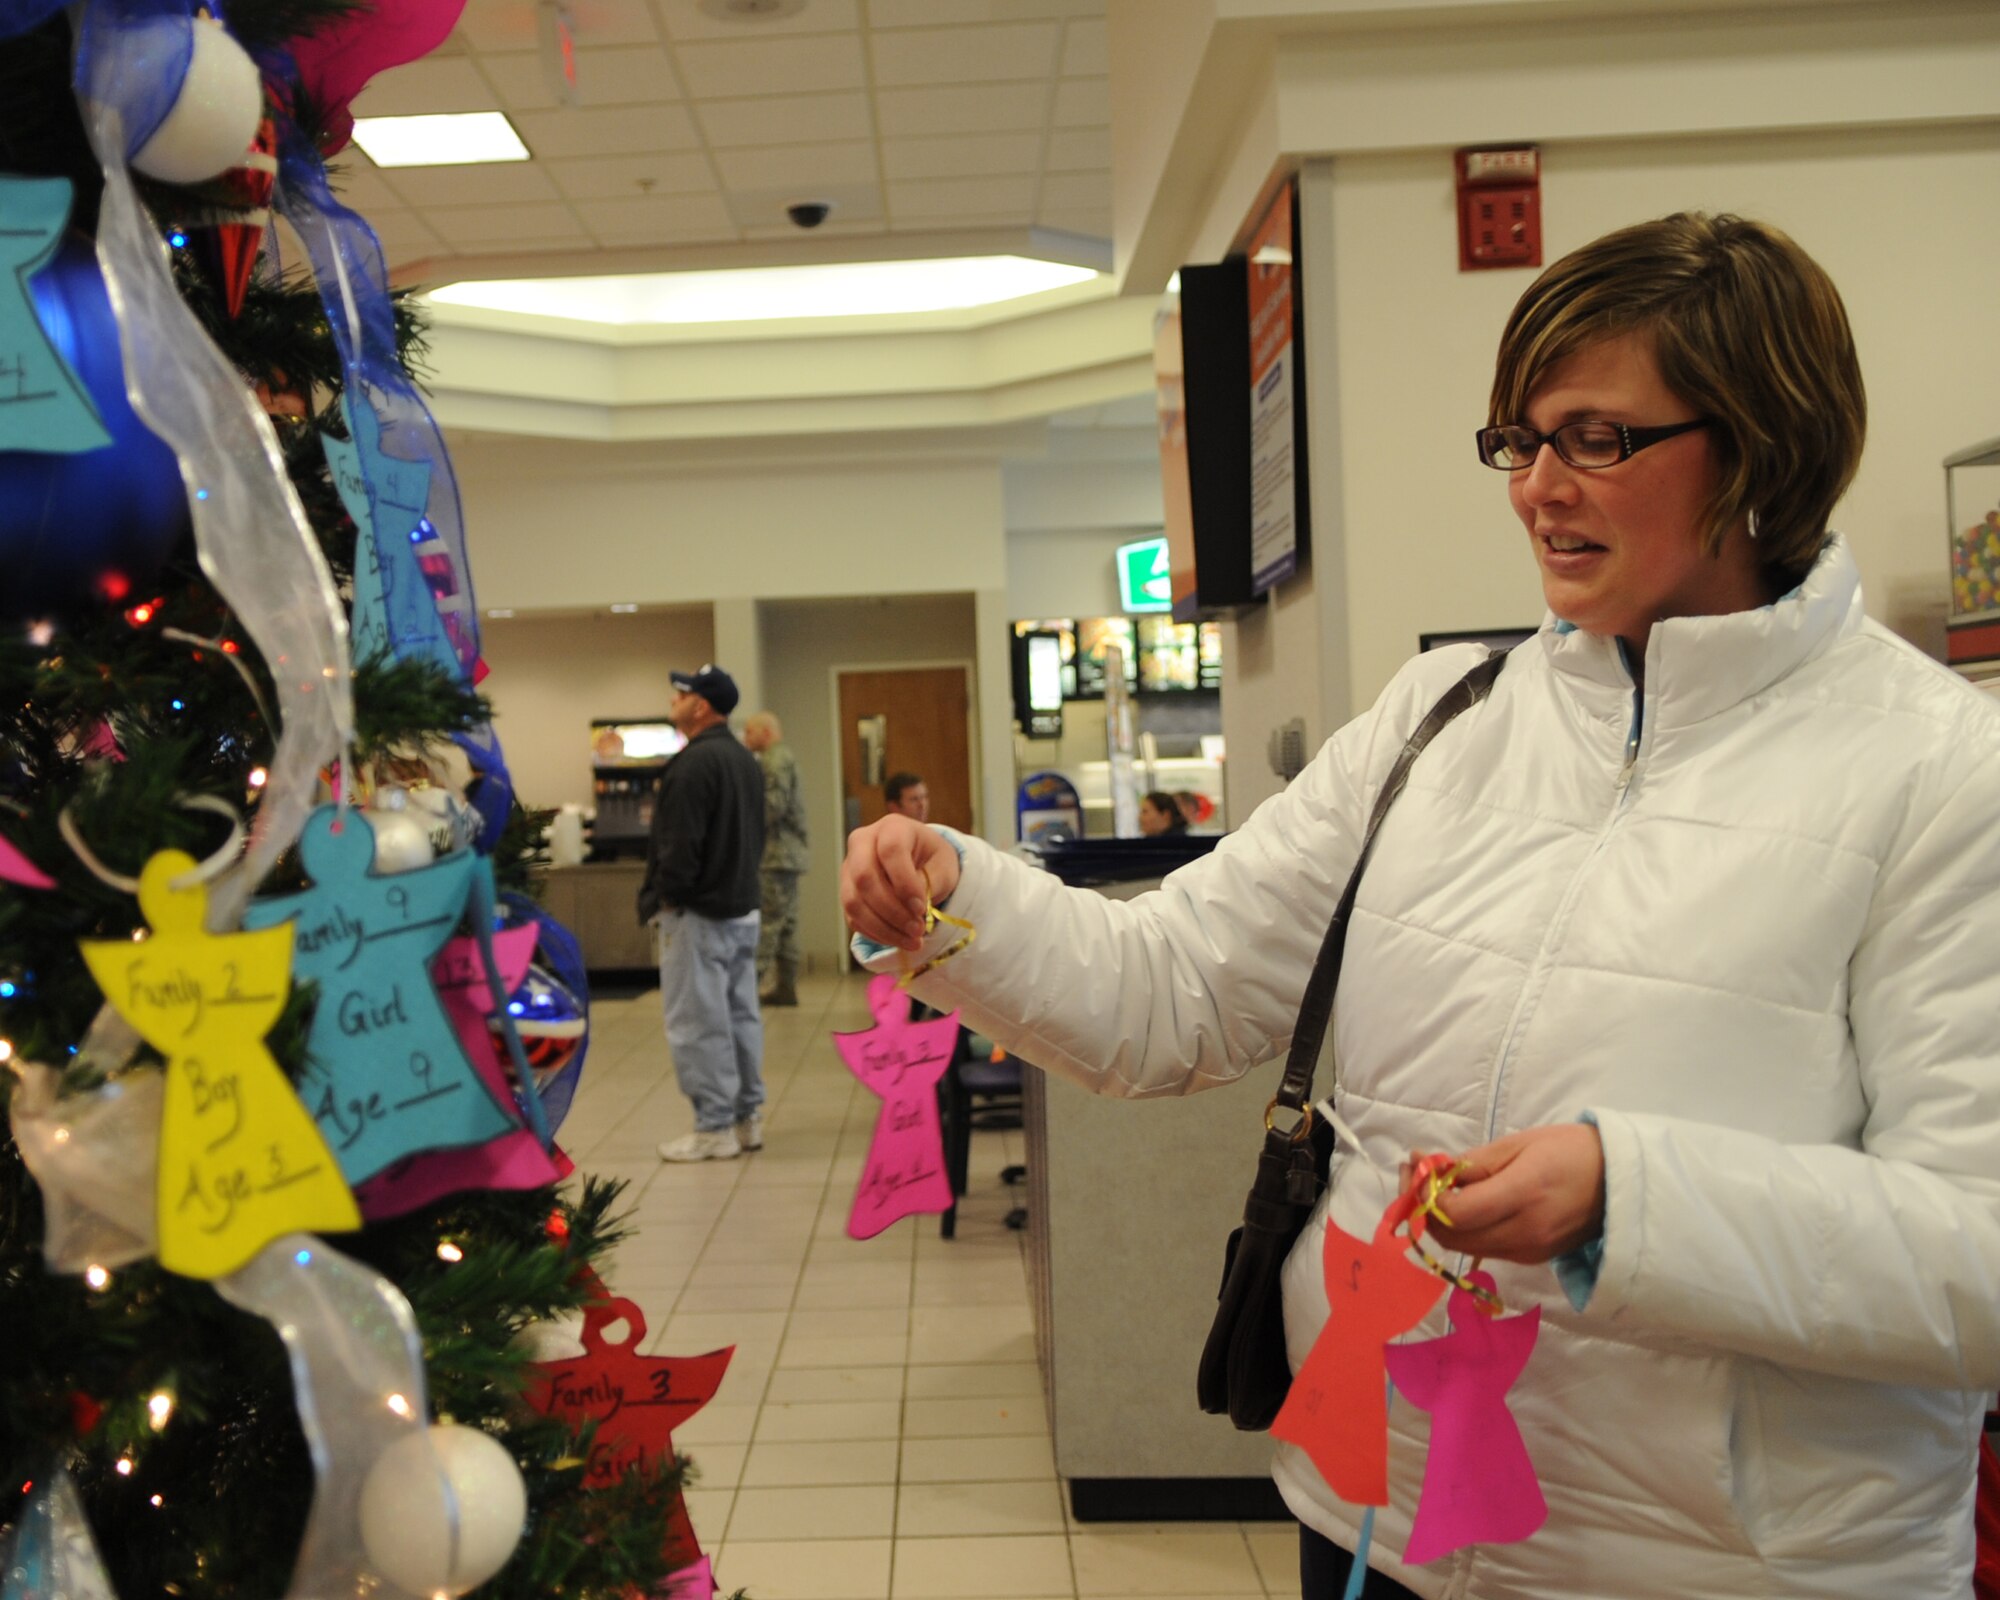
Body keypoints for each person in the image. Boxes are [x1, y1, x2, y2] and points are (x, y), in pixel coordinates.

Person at [842, 213, 2000, 1599]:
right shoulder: (1440, 720)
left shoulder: (1940, 773)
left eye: (1597, 438)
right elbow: (1175, 991)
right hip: (1382, 1512)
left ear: (1760, 444)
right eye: (1520, 439)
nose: (1537, 489)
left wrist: (1631, 1201)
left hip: (1732, 1564)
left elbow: (1975, 1254)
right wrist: (952, 899)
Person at [638, 664, 766, 1162]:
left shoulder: (692, 765)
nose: (674, 698)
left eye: (682, 693)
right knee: (740, 1018)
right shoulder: (743, 760)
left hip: (699, 914)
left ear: (702, 706)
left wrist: (668, 898)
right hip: (741, 907)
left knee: (697, 1022)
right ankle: (746, 1118)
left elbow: (680, 847)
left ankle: (713, 1127)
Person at [743, 710, 808, 1007]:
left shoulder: (773, 760)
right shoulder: (781, 757)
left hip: (776, 854)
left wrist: (743, 822)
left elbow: (773, 806)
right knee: (786, 924)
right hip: (787, 854)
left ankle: (746, 992)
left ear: (765, 733)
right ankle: (786, 988)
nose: (745, 739)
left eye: (749, 732)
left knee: (768, 924)